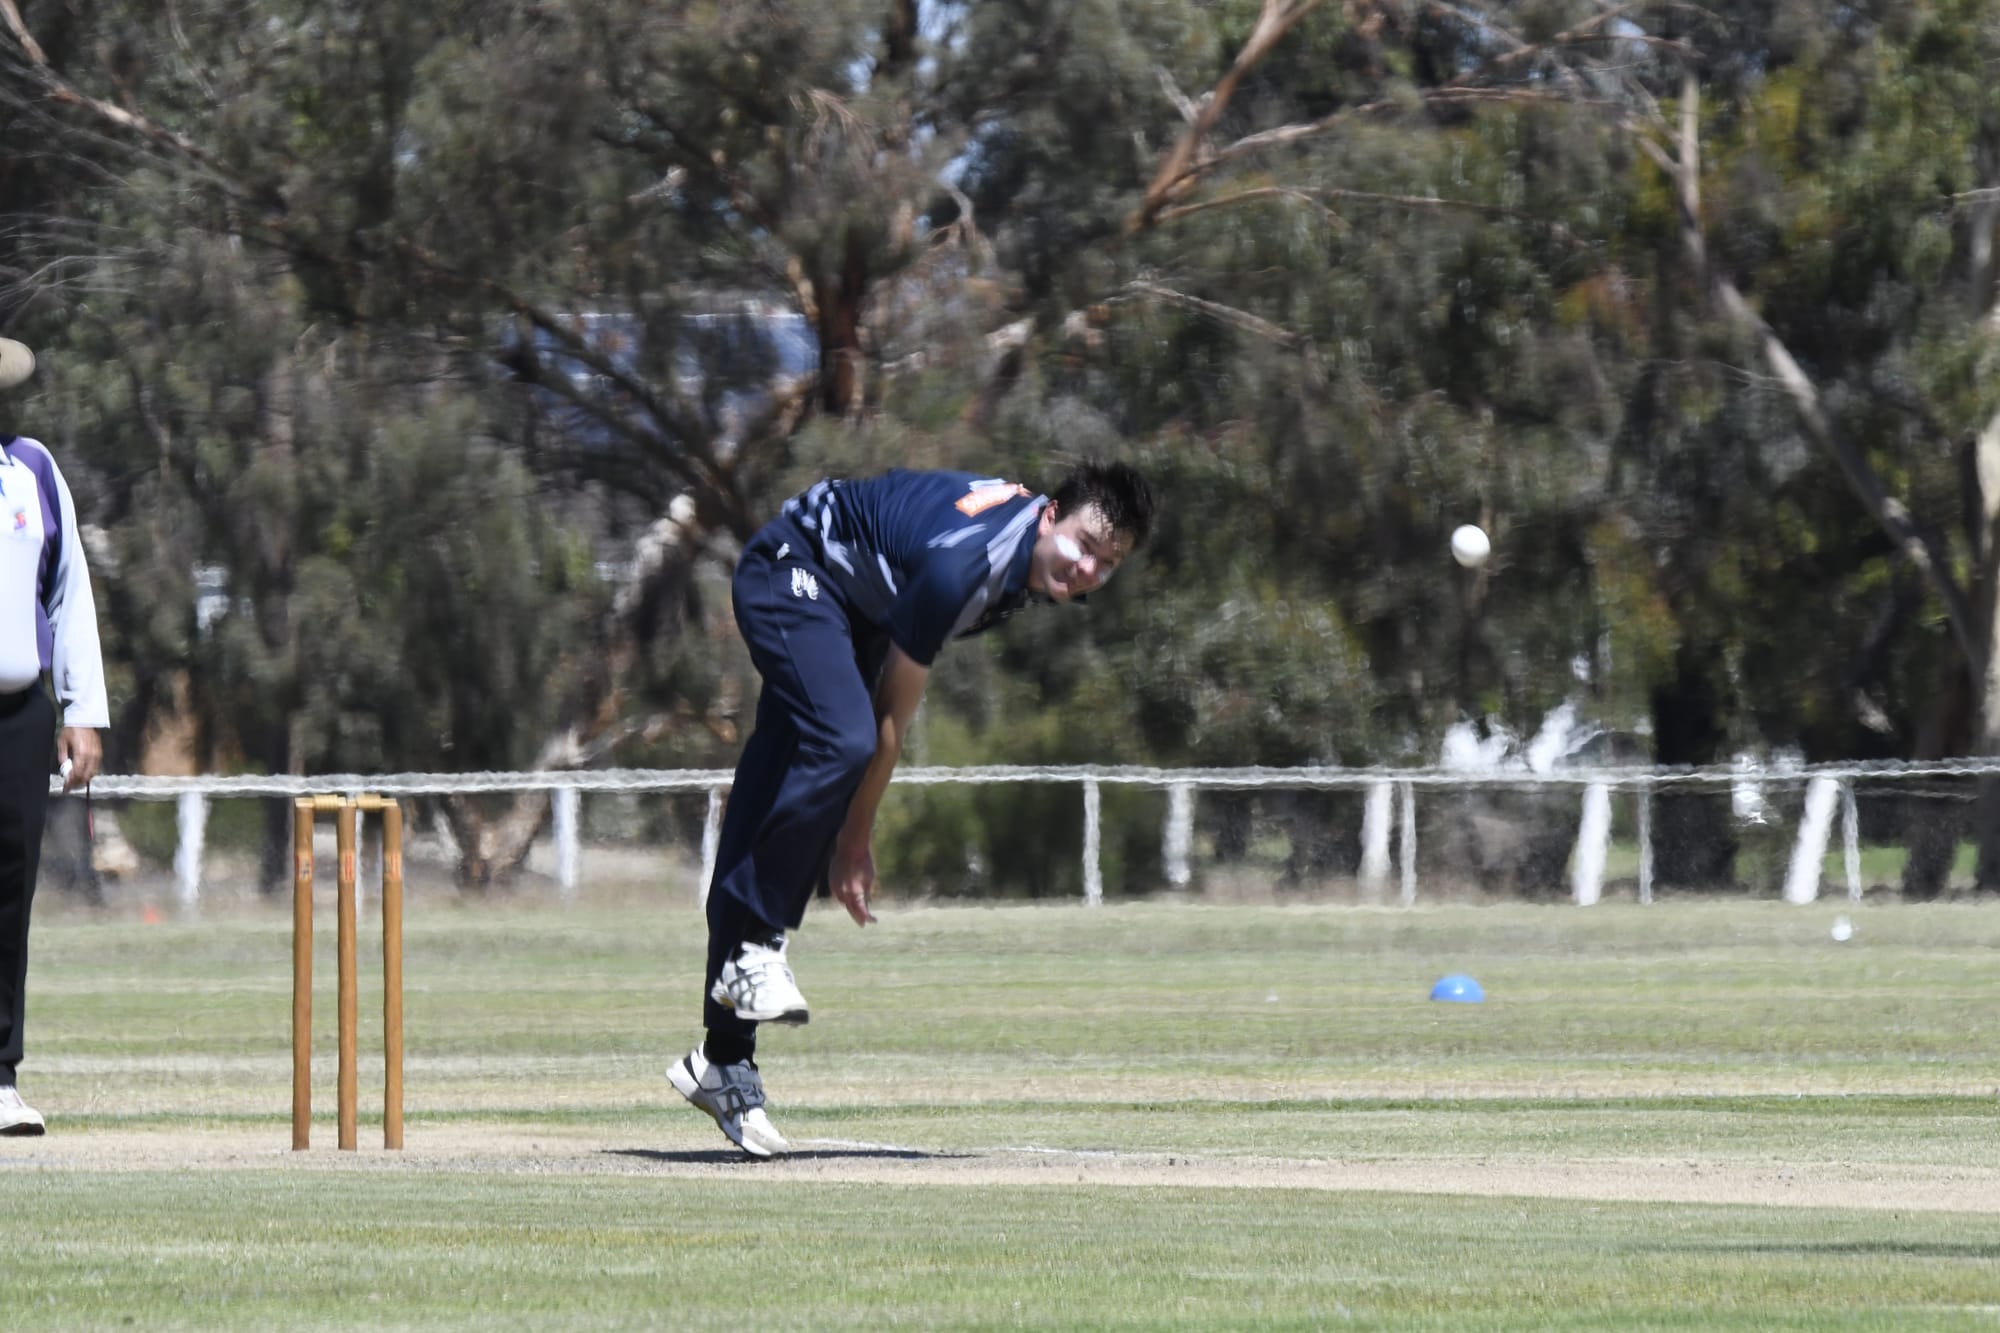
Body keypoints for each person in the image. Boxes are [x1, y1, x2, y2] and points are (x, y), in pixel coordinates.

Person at [668, 459, 1155, 1157]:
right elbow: (891, 718)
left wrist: (846, 830)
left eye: (1107, 563)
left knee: (764, 815)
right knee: (843, 738)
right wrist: (852, 842)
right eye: (1083, 544)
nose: (1088, 569)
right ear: (1050, 515)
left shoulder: (1022, 562)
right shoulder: (967, 565)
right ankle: (755, 947)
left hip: (851, 609)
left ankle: (724, 1061)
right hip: (794, 567)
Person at [0, 336, 107, 1136]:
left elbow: (70, 594)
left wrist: (81, 710)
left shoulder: (31, 469)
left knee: (10, 890)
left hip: (19, 711)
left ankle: (0, 1076)